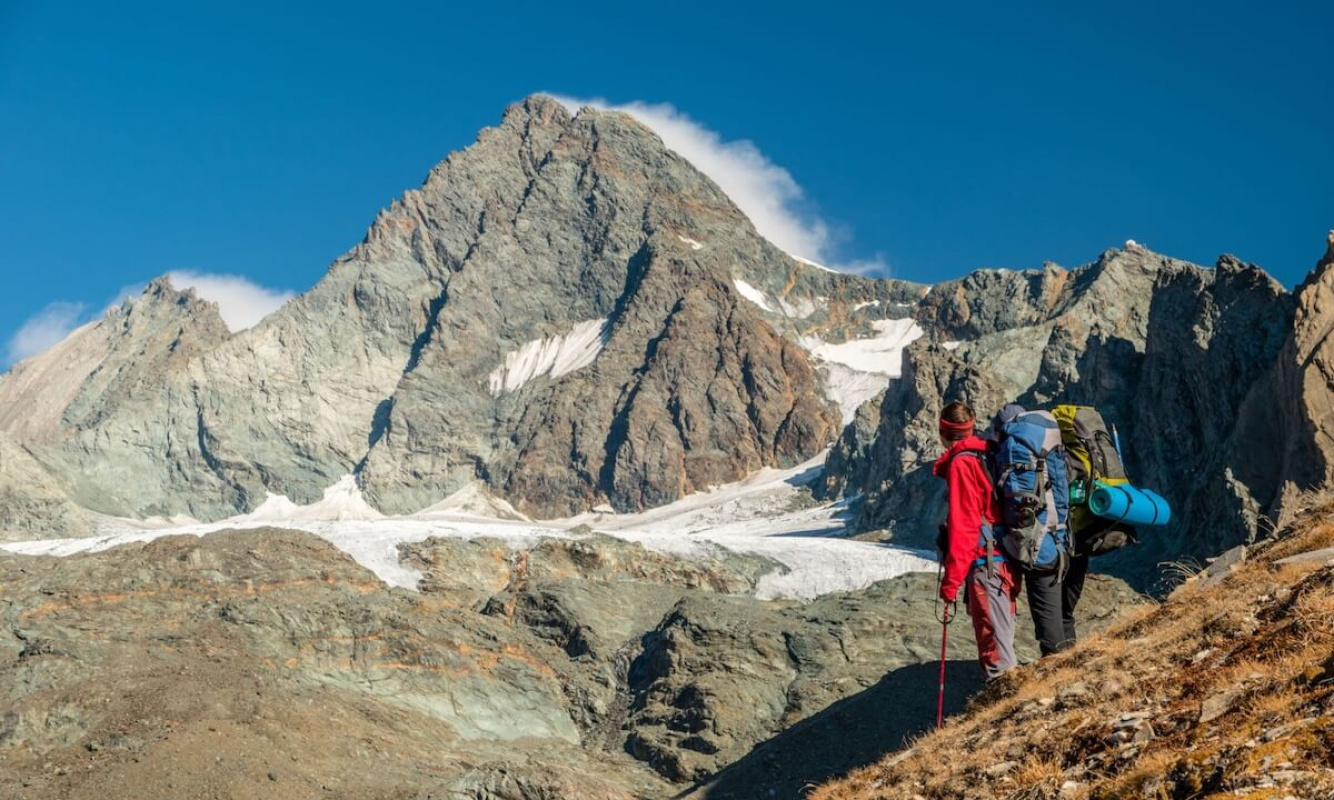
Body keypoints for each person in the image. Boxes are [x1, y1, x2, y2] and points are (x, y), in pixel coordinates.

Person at [933, 400, 1019, 681]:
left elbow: (965, 526)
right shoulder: (986, 454)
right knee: (1002, 636)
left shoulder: (961, 463)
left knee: (994, 648)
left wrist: (950, 583)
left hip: (986, 564)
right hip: (1004, 561)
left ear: (943, 432)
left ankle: (1007, 709)